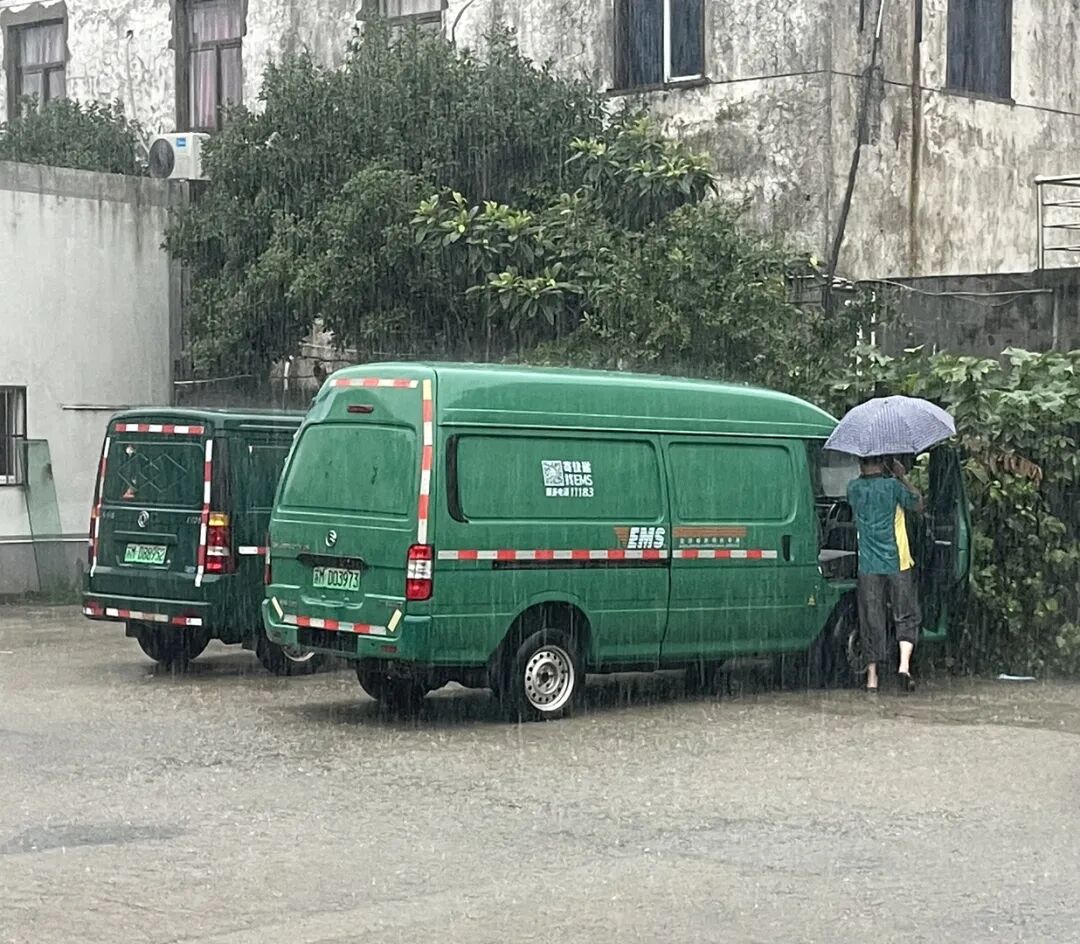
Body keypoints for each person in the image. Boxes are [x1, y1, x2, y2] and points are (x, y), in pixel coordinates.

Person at [846, 455, 924, 693]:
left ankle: (872, 677)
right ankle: (903, 667)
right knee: (905, 614)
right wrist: (902, 477)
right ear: (883, 463)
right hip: (897, 561)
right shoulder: (893, 487)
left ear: (861, 463)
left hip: (868, 565)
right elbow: (918, 504)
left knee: (871, 619)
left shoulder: (853, 489)